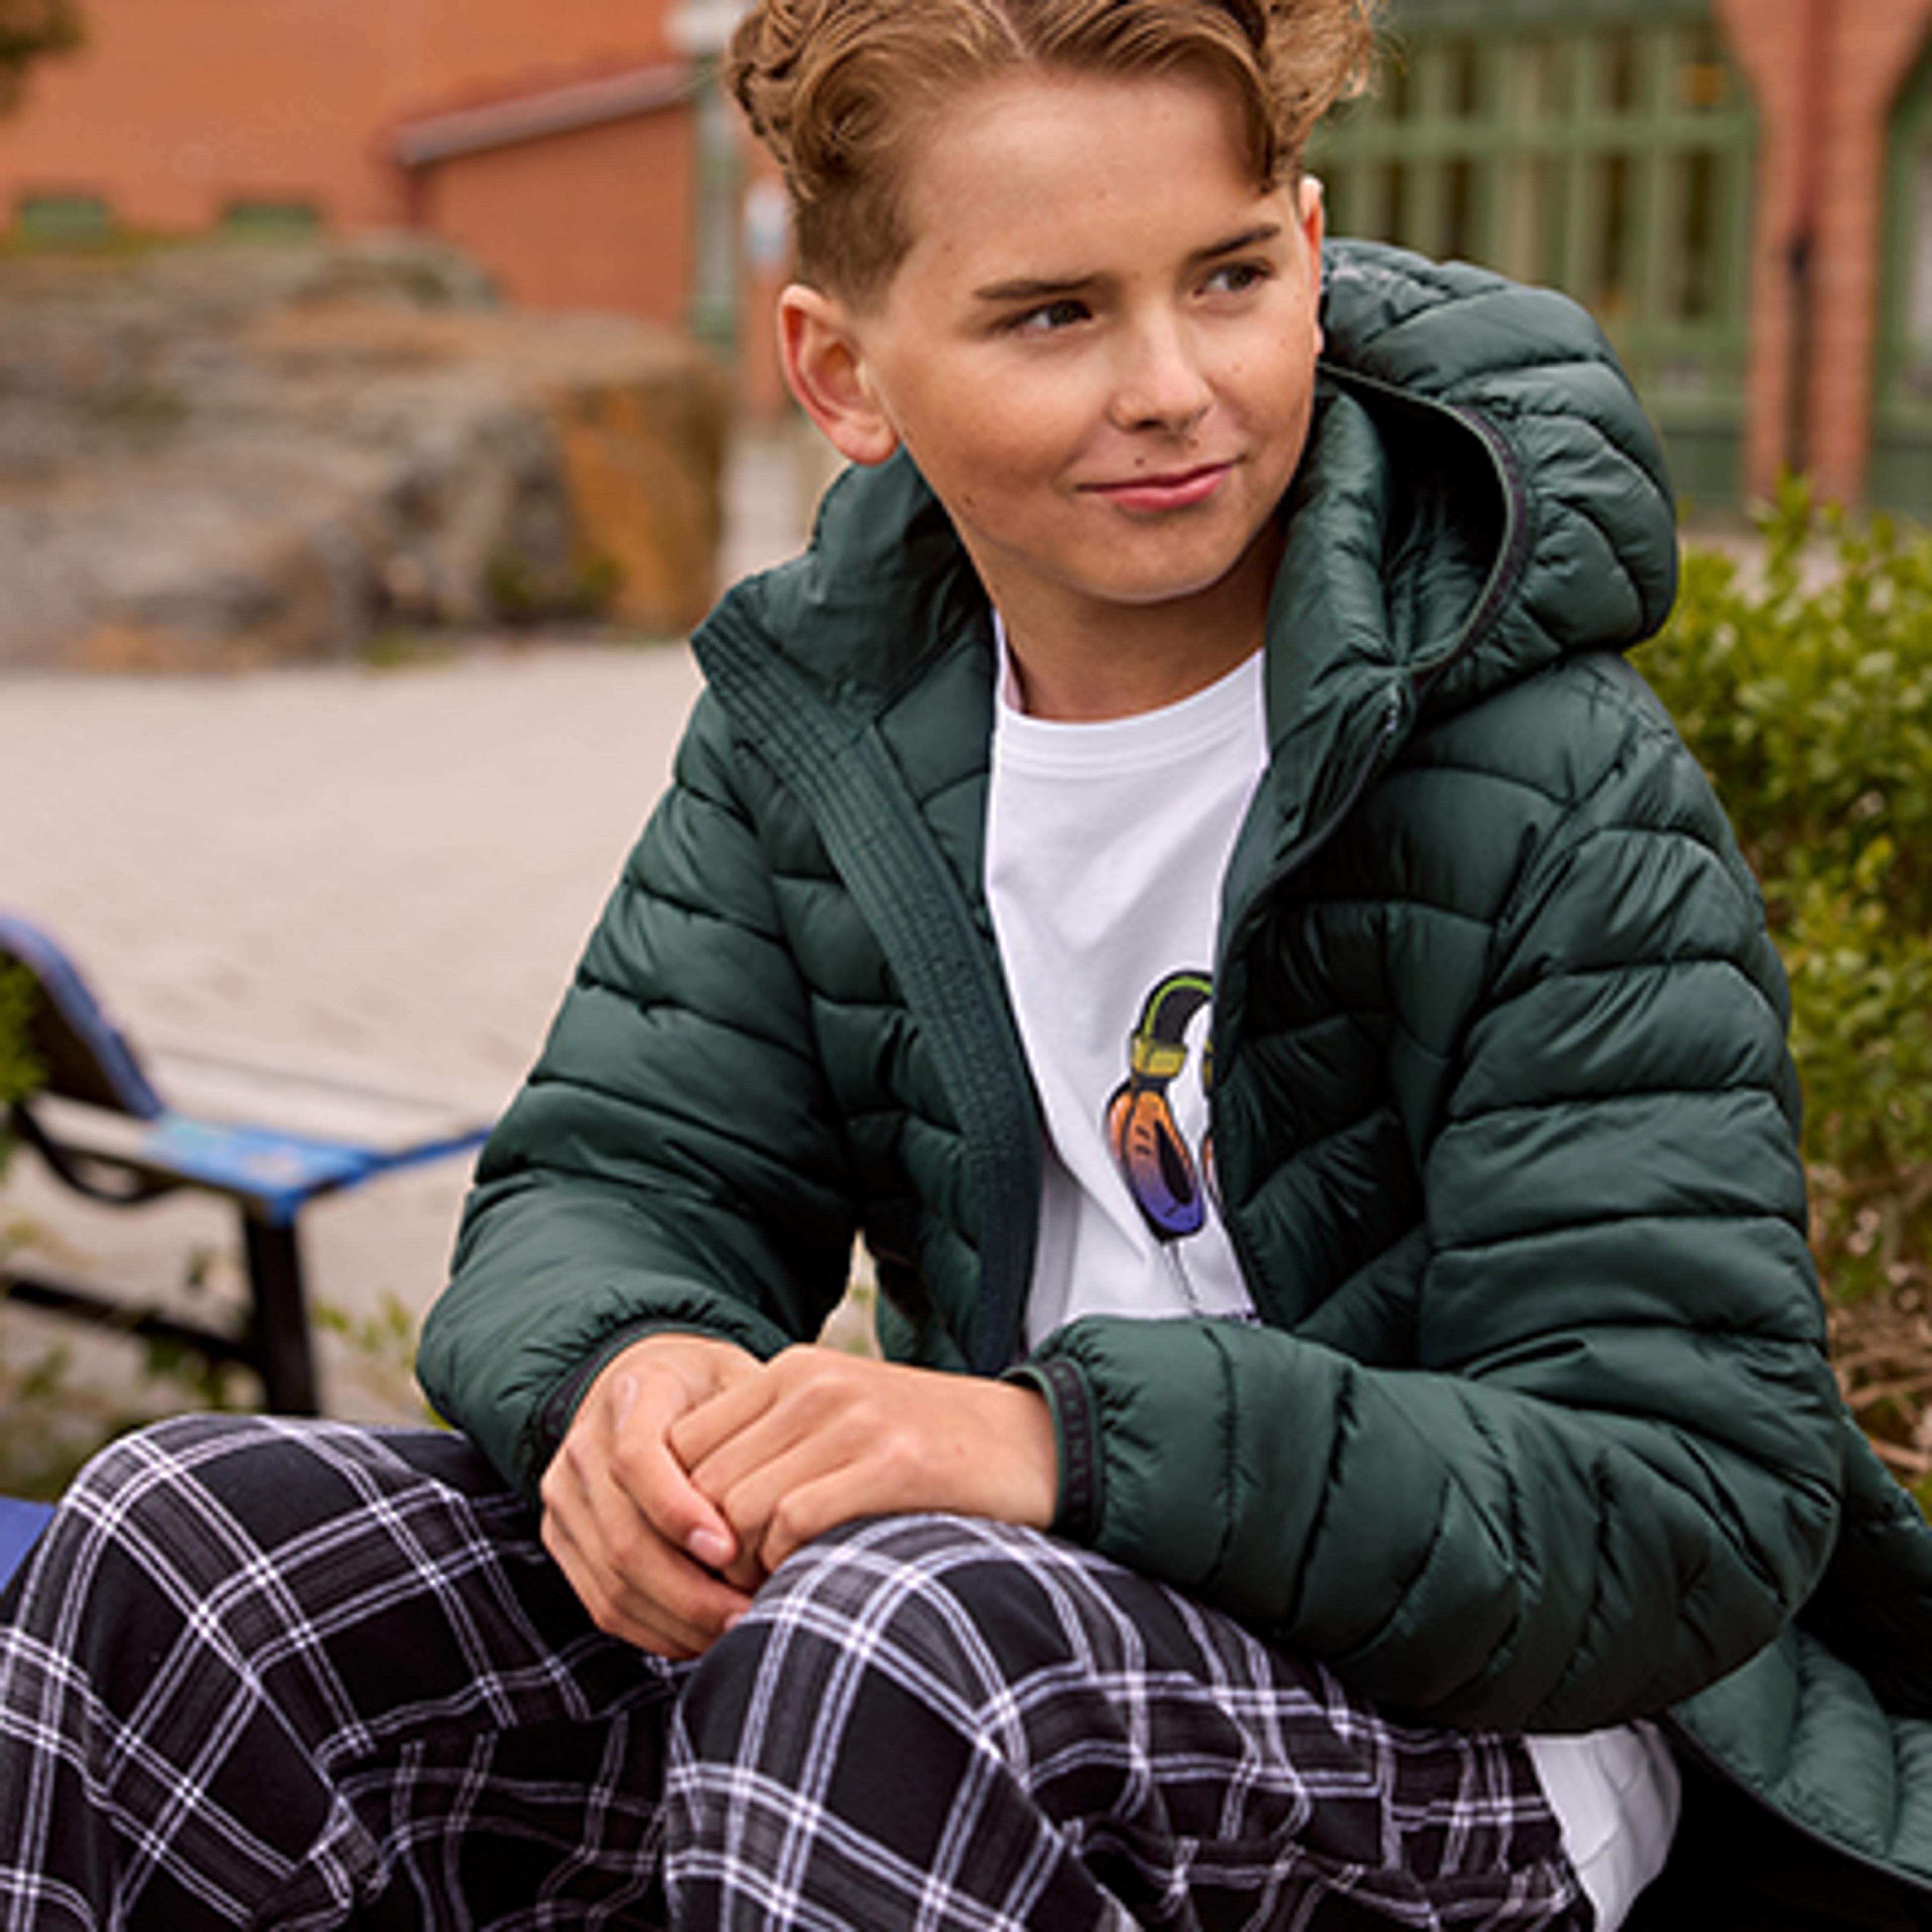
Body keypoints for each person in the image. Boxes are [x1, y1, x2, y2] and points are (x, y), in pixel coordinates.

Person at [5, 0, 1932, 1925]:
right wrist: (624, 1379)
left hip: (1473, 1732)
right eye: (1053, 315)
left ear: (1318, 253)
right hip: (962, 1643)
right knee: (200, 1551)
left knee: (894, 1644)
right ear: (842, 371)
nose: (1174, 383)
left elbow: (1690, 1493)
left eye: (1232, 277)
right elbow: (620, 1178)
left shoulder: (1549, 776)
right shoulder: (831, 725)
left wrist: (1053, 1443)